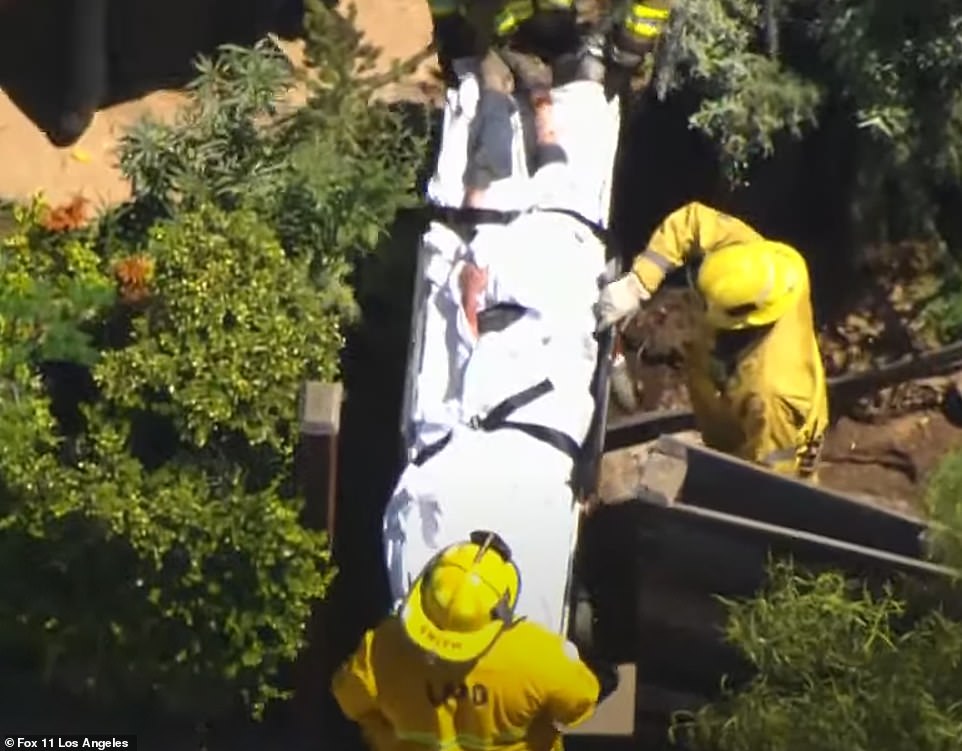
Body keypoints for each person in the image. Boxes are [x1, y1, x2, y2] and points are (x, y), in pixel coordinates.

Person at [385, 35, 622, 634]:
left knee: (520, 184)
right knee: (519, 186)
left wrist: (472, 293)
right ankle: (521, 93)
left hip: (535, 284)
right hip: (543, 274)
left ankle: (514, 92)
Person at [595, 201, 830, 480]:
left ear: (737, 325)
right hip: (728, 406)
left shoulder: (770, 396)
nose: (693, 309)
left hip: (779, 440)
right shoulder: (768, 266)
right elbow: (692, 221)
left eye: (704, 306)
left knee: (760, 488)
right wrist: (640, 282)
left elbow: (775, 479)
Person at [333, 531, 614, 751]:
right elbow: (580, 703)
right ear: (502, 606)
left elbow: (350, 702)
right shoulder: (539, 656)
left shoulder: (381, 650)